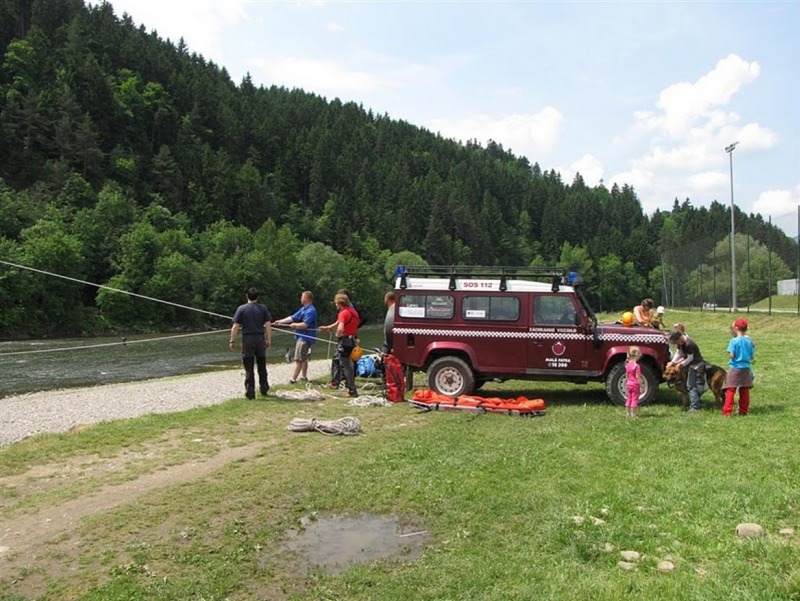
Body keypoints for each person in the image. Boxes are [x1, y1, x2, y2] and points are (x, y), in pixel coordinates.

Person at [229, 287, 272, 399]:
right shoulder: (263, 308)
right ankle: (264, 388)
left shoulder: (241, 309)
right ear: (257, 297)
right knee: (262, 365)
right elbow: (268, 326)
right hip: (260, 339)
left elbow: (235, 326)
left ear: (247, 296)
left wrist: (232, 340)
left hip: (248, 340)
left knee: (248, 367)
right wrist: (268, 340)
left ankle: (250, 391)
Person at [273, 290, 318, 384]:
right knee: (303, 358)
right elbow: (292, 317)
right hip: (301, 337)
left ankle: (293, 380)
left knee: (298, 359)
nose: (300, 299)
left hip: (305, 338)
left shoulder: (311, 310)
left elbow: (305, 325)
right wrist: (280, 321)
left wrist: (295, 325)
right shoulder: (303, 309)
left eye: (302, 297)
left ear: (306, 298)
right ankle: (304, 377)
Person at [320, 292, 359, 397]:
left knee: (346, 366)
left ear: (339, 303)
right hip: (352, 341)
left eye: (336, 303)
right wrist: (327, 328)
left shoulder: (343, 313)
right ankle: (335, 382)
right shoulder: (353, 312)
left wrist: (337, 335)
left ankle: (352, 390)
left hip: (344, 341)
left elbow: (340, 328)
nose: (335, 305)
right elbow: (337, 324)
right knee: (337, 359)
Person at [721, 318, 755, 416]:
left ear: (735, 328)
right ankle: (743, 410)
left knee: (730, 389)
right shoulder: (749, 341)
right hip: (746, 368)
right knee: (744, 390)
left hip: (735, 367)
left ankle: (727, 411)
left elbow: (732, 355)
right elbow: (752, 356)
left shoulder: (734, 341)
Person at [668, 329, 705, 412]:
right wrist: (673, 362)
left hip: (696, 365)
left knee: (691, 386)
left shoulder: (689, 344)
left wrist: (680, 364)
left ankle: (695, 407)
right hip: (691, 365)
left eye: (676, 342)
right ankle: (696, 402)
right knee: (691, 385)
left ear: (679, 338)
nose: (676, 344)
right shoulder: (681, 342)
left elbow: (690, 358)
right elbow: (678, 353)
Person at [625, 346, 642, 418]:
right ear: (637, 356)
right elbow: (638, 377)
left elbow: (626, 375)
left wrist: (627, 383)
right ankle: (633, 414)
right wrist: (641, 386)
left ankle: (627, 413)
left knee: (629, 398)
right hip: (635, 385)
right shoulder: (637, 366)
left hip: (629, 384)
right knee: (634, 399)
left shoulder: (627, 365)